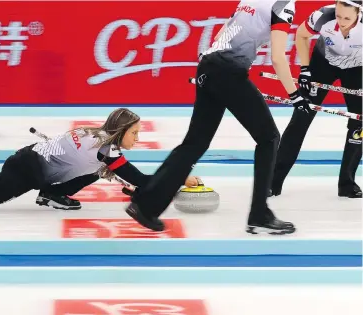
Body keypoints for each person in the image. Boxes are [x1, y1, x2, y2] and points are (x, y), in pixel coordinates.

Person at [125, 0, 308, 235]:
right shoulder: (283, 5)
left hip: (208, 66)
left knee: (194, 143)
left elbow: (226, 28)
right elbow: (278, 58)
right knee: (269, 138)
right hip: (228, 73)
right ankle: (259, 214)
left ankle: (145, 205)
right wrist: (295, 95)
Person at [0, 108, 200, 211]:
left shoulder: (95, 135)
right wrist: (181, 177)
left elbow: (111, 170)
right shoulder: (107, 150)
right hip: (24, 169)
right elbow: (139, 179)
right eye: (135, 132)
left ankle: (52, 193)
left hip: (31, 161)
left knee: (98, 172)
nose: (138, 138)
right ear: (121, 131)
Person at [271, 0, 362, 198]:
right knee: (301, 116)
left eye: (347, 18)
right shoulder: (324, 14)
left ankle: (347, 184)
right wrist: (305, 69)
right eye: (338, 16)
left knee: (360, 124)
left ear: (359, 13)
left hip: (356, 69)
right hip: (323, 63)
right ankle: (273, 181)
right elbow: (301, 35)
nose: (341, 21)